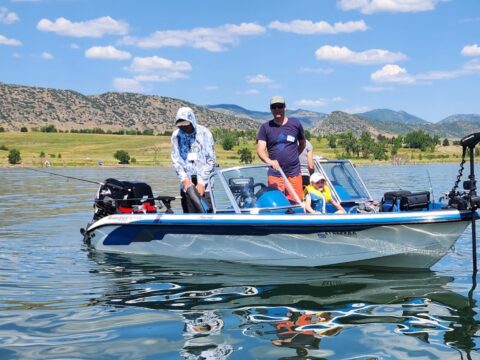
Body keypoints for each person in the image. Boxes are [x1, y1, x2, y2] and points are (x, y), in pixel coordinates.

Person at [256, 96, 306, 202]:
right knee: (277, 203)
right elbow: (260, 150)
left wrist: (293, 156)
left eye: (280, 106)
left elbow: (302, 143)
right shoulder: (265, 127)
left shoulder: (295, 123)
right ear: (270, 109)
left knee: (296, 201)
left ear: (285, 107)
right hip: (275, 173)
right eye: (274, 107)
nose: (277, 109)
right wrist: (270, 161)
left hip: (294, 172)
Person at [171, 106, 216, 213]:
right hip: (187, 186)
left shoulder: (205, 133)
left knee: (207, 217)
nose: (184, 128)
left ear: (192, 121)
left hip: (205, 186)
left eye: (187, 125)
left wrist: (201, 182)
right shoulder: (176, 136)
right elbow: (176, 160)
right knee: (189, 217)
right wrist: (185, 180)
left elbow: (211, 160)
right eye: (181, 126)